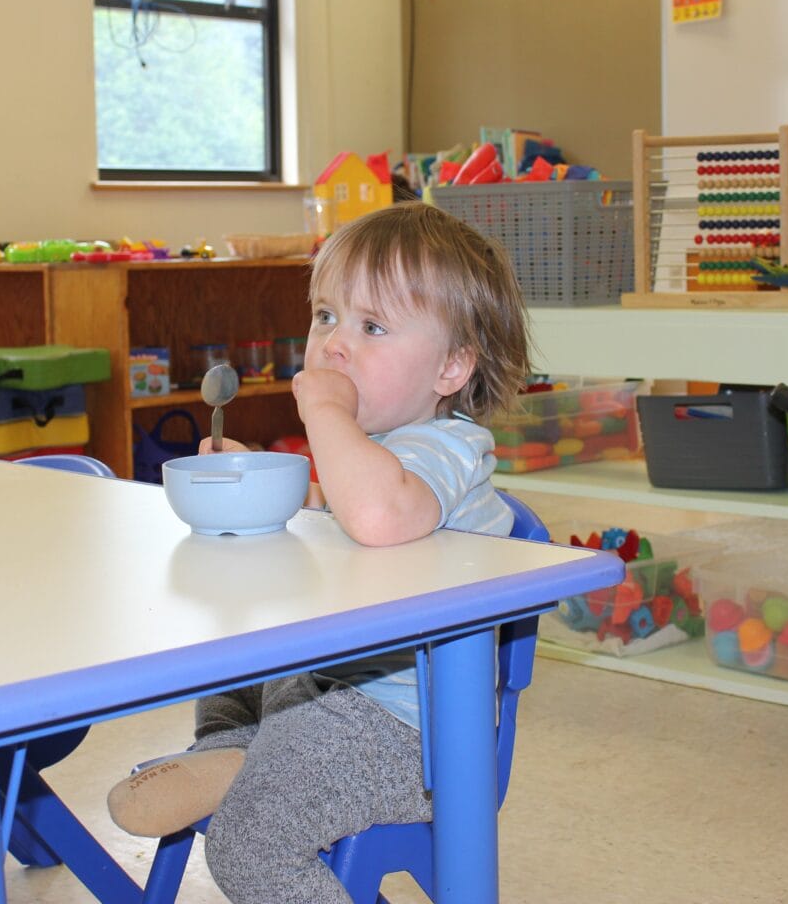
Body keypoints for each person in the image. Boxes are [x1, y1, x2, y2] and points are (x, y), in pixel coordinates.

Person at [107, 200, 532, 903]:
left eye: (372, 327)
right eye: (326, 316)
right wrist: (258, 484)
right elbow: (329, 525)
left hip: (410, 732)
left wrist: (326, 415)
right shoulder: (369, 452)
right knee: (232, 667)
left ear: (452, 367)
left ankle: (247, 768)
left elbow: (374, 513)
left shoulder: (444, 447)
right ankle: (229, 753)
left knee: (250, 848)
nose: (334, 344)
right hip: (329, 686)